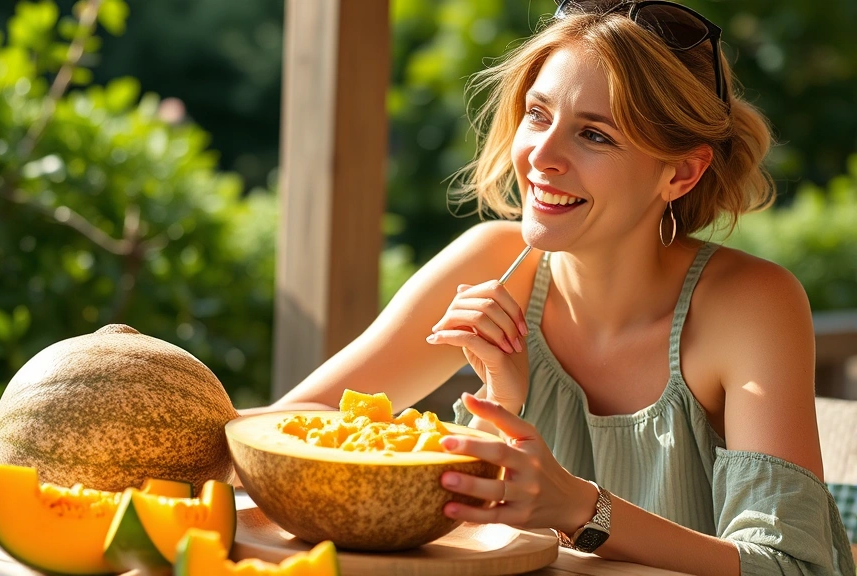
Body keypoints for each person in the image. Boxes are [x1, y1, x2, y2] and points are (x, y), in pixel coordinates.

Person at [253, 1, 855, 574]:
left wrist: (581, 508)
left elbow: (791, 567)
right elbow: (282, 432)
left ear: (680, 172)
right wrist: (500, 404)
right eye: (539, 115)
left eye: (594, 135)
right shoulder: (490, 261)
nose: (542, 155)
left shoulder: (752, 304)